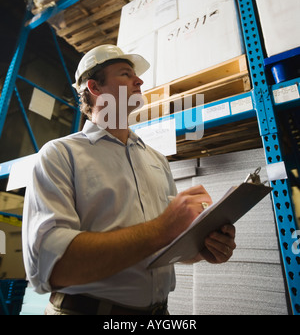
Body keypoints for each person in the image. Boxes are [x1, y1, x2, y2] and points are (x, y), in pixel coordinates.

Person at [22, 45, 236, 315]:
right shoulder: (60, 155)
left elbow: (164, 245)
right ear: (95, 87)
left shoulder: (156, 160)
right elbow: (51, 265)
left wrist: (202, 248)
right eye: (125, 74)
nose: (140, 80)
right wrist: (162, 228)